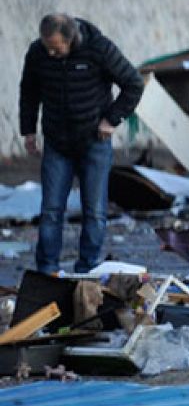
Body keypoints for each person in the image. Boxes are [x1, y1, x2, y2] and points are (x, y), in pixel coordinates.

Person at [18, 14, 143, 274]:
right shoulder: (38, 53)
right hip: (57, 144)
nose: (51, 53)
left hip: (94, 143)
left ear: (71, 38)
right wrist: (28, 130)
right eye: (47, 47)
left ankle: (87, 270)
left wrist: (112, 119)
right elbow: (28, 92)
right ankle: (47, 270)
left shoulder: (100, 48)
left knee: (95, 212)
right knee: (51, 211)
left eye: (56, 47)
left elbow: (133, 83)